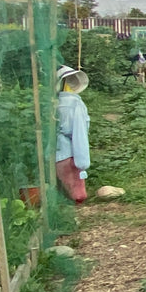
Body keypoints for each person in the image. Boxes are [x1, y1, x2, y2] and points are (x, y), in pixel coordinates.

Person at [54, 65, 91, 203]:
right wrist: (83, 163)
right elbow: (79, 134)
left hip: (56, 152)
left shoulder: (53, 102)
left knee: (64, 188)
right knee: (78, 194)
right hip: (70, 153)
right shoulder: (75, 103)